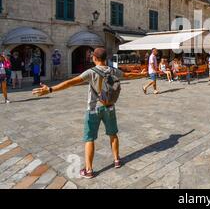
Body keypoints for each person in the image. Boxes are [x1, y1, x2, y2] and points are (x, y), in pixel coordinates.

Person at [33, 48, 147, 179]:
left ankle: (89, 170)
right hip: (109, 107)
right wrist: (142, 74)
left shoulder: (91, 72)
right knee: (113, 134)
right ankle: (116, 160)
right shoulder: (112, 70)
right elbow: (128, 75)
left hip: (93, 109)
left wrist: (51, 89)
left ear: (94, 58)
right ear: (105, 58)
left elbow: (71, 82)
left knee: (89, 139)